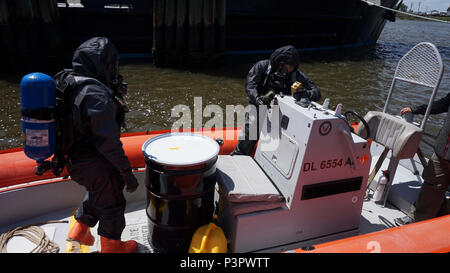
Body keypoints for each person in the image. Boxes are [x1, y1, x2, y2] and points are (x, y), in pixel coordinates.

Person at [64, 37, 139, 253]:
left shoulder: (72, 83)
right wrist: (127, 174)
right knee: (113, 202)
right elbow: (109, 145)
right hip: (94, 161)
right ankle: (112, 248)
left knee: (99, 191)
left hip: (74, 159)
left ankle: (79, 230)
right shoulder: (96, 95)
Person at [230, 45, 321, 156]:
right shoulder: (262, 66)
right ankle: (240, 154)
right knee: (250, 133)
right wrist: (258, 100)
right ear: (279, 63)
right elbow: (250, 85)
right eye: (287, 67)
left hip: (283, 115)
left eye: (291, 68)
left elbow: (316, 92)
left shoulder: (296, 75)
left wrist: (305, 93)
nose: (289, 71)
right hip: (260, 108)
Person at [394, 92, 450, 226]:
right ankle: (418, 220)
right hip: (442, 152)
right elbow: (441, 104)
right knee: (431, 185)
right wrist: (416, 110)